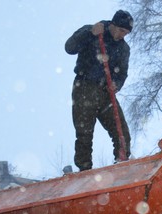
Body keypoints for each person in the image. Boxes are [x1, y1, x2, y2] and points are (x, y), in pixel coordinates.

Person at [65, 10, 134, 171]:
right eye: (122, 31)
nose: (123, 35)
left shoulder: (124, 48)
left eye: (127, 33)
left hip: (106, 93)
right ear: (113, 25)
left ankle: (122, 163)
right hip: (84, 87)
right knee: (84, 132)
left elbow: (122, 73)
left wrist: (116, 84)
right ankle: (84, 169)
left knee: (121, 131)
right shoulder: (93, 31)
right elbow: (69, 47)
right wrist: (89, 33)